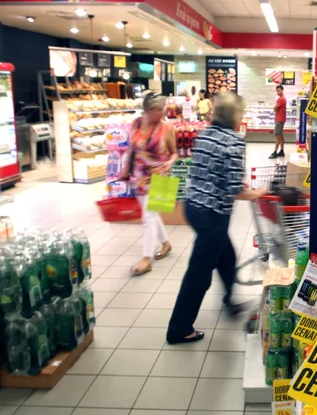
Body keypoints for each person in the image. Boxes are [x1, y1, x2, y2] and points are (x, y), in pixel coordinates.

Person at [166, 92, 266, 344]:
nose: (242, 118)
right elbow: (236, 190)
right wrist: (259, 193)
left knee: (227, 257)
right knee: (198, 275)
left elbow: (212, 171)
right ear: (234, 115)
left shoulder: (206, 133)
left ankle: (229, 301)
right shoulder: (234, 141)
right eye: (241, 113)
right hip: (212, 215)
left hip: (193, 206)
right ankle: (179, 328)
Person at [120, 91, 179, 276]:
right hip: (139, 176)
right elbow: (132, 148)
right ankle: (166, 244)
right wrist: (125, 169)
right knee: (152, 216)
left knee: (148, 217)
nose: (162, 113)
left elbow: (174, 152)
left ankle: (146, 259)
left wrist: (170, 162)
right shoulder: (135, 124)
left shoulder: (167, 128)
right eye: (158, 109)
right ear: (147, 109)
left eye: (163, 109)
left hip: (161, 176)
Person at [268, 85, 287, 158]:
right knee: (281, 135)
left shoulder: (281, 99)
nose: (278, 92)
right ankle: (281, 151)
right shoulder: (282, 98)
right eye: (277, 90)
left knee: (277, 136)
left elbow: (275, 108)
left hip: (279, 119)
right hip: (281, 119)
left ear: (282, 90)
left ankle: (275, 152)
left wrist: (274, 107)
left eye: (279, 90)